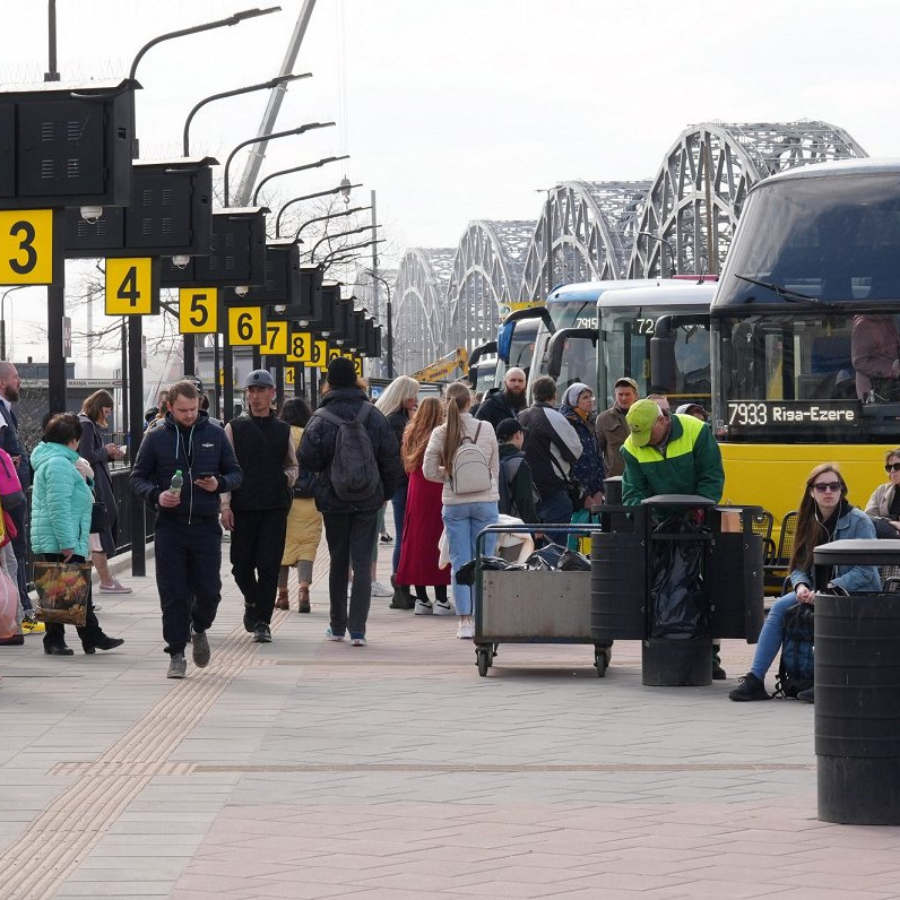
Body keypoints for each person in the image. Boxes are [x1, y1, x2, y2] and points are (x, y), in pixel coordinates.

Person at [730, 464, 879, 702]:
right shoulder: (808, 520)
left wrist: (827, 588)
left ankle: (825, 682)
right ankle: (755, 679)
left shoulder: (859, 521)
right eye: (822, 487)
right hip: (819, 590)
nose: (828, 491)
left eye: (834, 486)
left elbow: (866, 572)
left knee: (826, 609)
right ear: (812, 492)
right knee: (779, 608)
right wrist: (800, 586)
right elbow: (799, 566)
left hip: (856, 593)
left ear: (842, 490)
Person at [131, 380, 242, 679]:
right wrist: (157, 495)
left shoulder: (216, 434)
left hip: (205, 526)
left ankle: (200, 626)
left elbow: (235, 473)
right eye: (183, 410)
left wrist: (220, 484)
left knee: (210, 592)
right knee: (173, 592)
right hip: (170, 527)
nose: (190, 415)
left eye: (194, 409)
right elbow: (137, 477)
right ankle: (176, 652)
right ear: (170, 407)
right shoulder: (155, 438)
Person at [621, 398, 727, 678]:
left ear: (663, 420)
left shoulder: (696, 431)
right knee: (660, 586)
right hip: (659, 529)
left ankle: (709, 656)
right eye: (638, 436)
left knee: (705, 587)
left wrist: (696, 514)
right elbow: (632, 491)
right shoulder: (632, 446)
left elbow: (711, 478)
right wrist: (648, 520)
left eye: (648, 435)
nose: (644, 443)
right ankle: (662, 644)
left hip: (698, 525)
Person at [299, 357, 401, 646]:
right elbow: (391, 457)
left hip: (334, 500)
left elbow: (307, 457)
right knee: (362, 561)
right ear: (358, 379)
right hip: (369, 499)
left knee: (338, 561)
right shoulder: (373, 414)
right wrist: (384, 494)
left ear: (328, 382)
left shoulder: (320, 417)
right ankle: (359, 631)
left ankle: (337, 627)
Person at [31, 413, 124, 656]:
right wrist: (67, 543)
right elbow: (58, 507)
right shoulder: (58, 464)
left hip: (61, 536)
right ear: (73, 440)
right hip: (60, 538)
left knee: (71, 588)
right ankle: (61, 639)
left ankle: (86, 637)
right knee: (59, 589)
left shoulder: (59, 460)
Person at [221, 370, 298, 644]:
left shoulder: (282, 429)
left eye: (260, 390)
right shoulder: (234, 427)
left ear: (272, 393)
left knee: (268, 566)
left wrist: (285, 479)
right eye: (250, 390)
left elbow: (292, 464)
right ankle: (252, 602)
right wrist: (225, 505)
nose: (254, 396)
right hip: (242, 507)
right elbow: (226, 467)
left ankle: (263, 622)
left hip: (274, 507)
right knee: (240, 566)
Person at [423, 381, 500, 639]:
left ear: (447, 403)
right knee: (485, 560)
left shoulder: (440, 432)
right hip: (485, 501)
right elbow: (494, 467)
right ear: (471, 401)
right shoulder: (486, 428)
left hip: (454, 502)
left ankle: (464, 621)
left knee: (460, 561)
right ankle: (483, 616)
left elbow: (428, 471)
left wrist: (450, 476)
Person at [397, 397, 452, 615]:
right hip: (437, 487)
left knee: (416, 540)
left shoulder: (410, 432)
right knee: (438, 539)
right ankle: (441, 599)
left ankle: (422, 599)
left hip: (416, 487)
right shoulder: (442, 432)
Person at [517, 375, 583, 545]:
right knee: (554, 547)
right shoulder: (554, 416)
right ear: (554, 394)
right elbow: (575, 451)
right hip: (551, 488)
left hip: (524, 489)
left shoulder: (521, 416)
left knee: (529, 546)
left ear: (533, 393)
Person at [374, 375, 419, 609]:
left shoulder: (391, 417)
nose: (416, 399)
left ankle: (401, 585)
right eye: (413, 394)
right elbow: (401, 454)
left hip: (397, 483)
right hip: (402, 483)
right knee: (403, 535)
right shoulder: (396, 420)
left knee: (403, 535)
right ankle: (400, 585)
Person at [78, 390, 130, 594]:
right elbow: (87, 455)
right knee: (99, 533)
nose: (107, 416)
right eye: (106, 411)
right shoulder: (86, 425)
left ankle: (96, 587)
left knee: (98, 533)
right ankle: (105, 582)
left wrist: (108, 454)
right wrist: (106, 451)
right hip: (95, 484)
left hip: (96, 480)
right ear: (98, 407)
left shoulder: (85, 423)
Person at [276, 398, 322, 614]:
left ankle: (282, 595)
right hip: (311, 500)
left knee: (282, 547)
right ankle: (304, 590)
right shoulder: (311, 435)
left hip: (285, 499)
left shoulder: (281, 435)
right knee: (307, 546)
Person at [0, 362, 33, 621]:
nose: (19, 381)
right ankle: (21, 609)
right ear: (2, 382)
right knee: (14, 553)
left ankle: (21, 608)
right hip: (8, 497)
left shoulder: (7, 411)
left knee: (16, 553)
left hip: (13, 493)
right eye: (15, 377)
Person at [560, 382, 606, 509]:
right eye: (585, 397)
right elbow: (568, 462)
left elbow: (598, 456)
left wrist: (600, 490)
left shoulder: (590, 421)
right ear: (574, 401)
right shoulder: (566, 423)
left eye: (591, 397)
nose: (590, 401)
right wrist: (583, 495)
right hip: (577, 495)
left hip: (595, 492)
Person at [496, 419, 539, 524]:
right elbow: (525, 500)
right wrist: (534, 525)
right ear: (518, 435)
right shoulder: (519, 463)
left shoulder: (493, 458)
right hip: (515, 524)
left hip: (494, 522)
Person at [595, 376, 639, 478]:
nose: (623, 398)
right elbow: (596, 452)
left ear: (636, 395)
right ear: (615, 395)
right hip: (615, 478)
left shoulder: (646, 416)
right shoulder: (603, 419)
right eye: (620, 394)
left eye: (627, 394)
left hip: (641, 476)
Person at [851, 314, 900, 401]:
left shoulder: (891, 319)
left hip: (894, 383)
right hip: (875, 391)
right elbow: (860, 363)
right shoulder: (863, 326)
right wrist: (891, 369)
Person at [864, 447, 900, 538]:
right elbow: (868, 518)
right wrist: (890, 523)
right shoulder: (881, 490)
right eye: (889, 467)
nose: (892, 471)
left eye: (897, 467)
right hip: (884, 545)